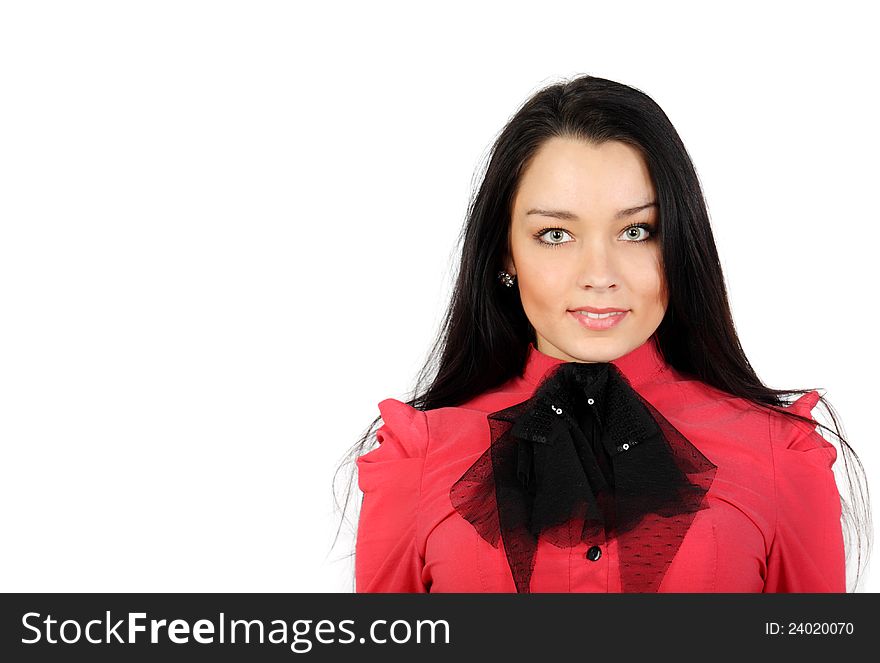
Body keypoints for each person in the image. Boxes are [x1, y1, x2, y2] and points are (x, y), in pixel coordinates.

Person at [333, 74, 871, 593]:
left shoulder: (781, 455)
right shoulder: (417, 458)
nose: (599, 273)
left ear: (678, 244)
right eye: (556, 234)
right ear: (506, 252)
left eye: (636, 231)